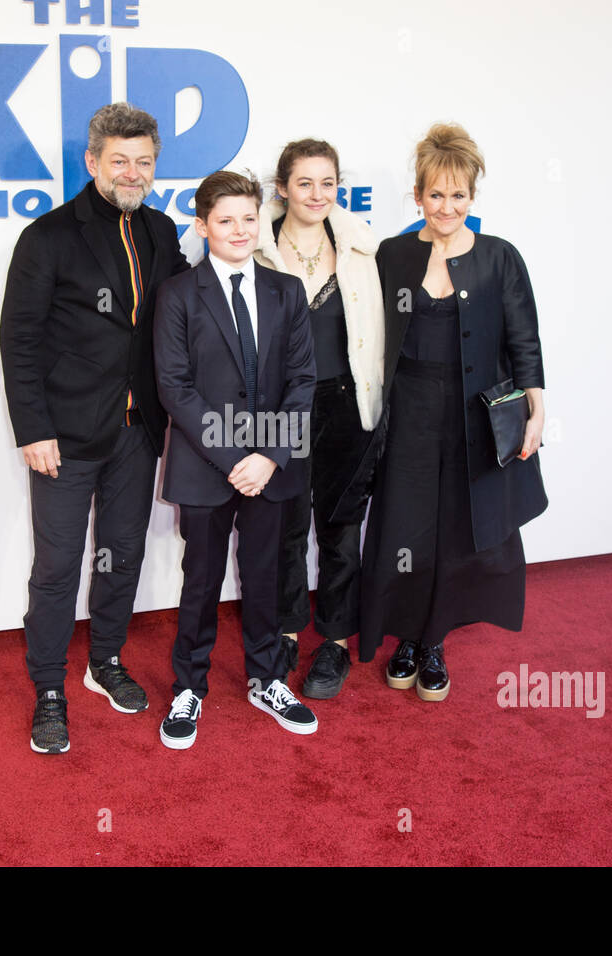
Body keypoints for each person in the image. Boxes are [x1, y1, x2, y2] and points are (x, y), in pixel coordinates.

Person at [0, 103, 189, 754]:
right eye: (119, 162)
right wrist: (33, 427)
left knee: (123, 554)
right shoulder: (48, 237)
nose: (132, 174)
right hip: (65, 436)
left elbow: (184, 318)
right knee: (56, 568)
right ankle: (49, 686)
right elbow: (19, 339)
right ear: (93, 162)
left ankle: (104, 659)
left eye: (144, 163)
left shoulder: (163, 233)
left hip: (138, 431)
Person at [360, 122, 548, 701]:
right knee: (405, 525)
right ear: (417, 196)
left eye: (458, 194)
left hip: (474, 416)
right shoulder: (391, 254)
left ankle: (435, 640)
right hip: (410, 413)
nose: (447, 206)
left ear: (473, 196)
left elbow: (524, 341)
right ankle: (407, 637)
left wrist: (536, 410)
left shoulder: (499, 258)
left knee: (459, 528)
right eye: (435, 194)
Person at [153, 170, 319, 749]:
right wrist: (233, 457)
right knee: (201, 579)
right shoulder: (178, 294)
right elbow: (175, 388)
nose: (239, 229)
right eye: (225, 220)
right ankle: (188, 685)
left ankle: (268, 677)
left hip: (272, 467)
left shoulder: (286, 291)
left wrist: (269, 456)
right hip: (207, 464)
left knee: (266, 576)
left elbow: (303, 380)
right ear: (202, 226)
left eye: (249, 217)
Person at [252, 139, 386, 699]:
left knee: (340, 528)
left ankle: (333, 641)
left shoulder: (363, 247)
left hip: (348, 406)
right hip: (278, 411)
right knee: (284, 530)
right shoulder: (253, 246)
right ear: (282, 188)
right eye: (304, 183)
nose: (317, 194)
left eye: (327, 182)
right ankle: (283, 630)